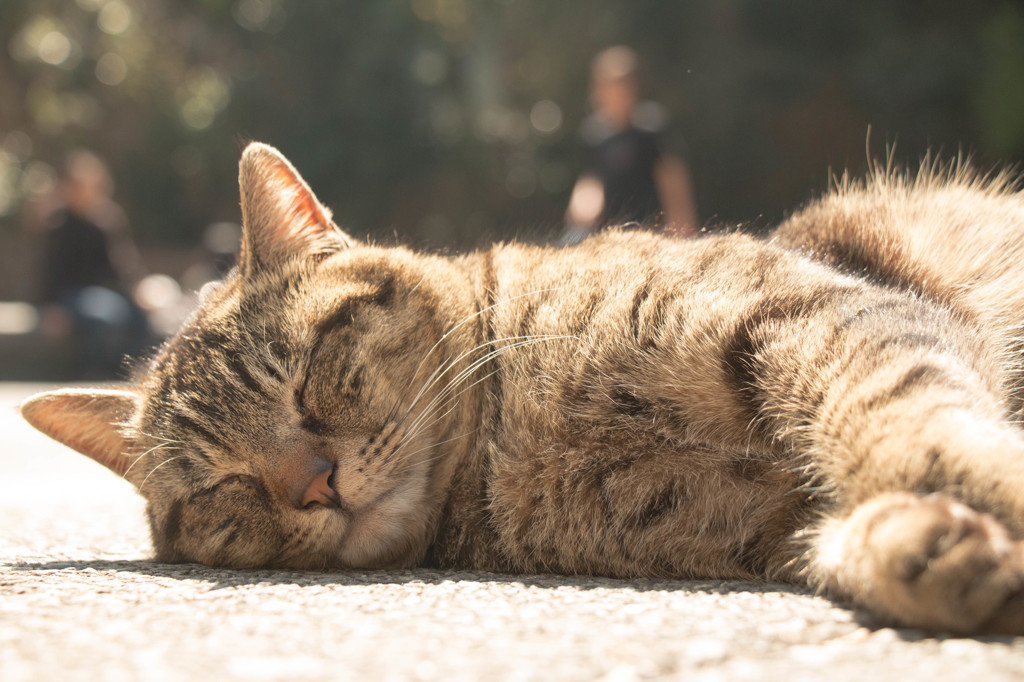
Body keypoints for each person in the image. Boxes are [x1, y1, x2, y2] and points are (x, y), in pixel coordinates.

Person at [562, 46, 699, 245]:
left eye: (622, 86)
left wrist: (684, 235)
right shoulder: (593, 134)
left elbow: (673, 181)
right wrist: (578, 218)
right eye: (609, 87)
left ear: (635, 87)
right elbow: (591, 181)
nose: (617, 94)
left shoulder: (653, 127)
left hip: (653, 236)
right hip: (609, 239)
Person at [36, 150, 149, 379]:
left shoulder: (107, 220)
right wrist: (48, 305)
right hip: (69, 295)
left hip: (105, 292)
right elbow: (48, 269)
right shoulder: (58, 222)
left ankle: (135, 369)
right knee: (102, 313)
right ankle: (93, 372)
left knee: (139, 314)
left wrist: (139, 287)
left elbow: (121, 262)